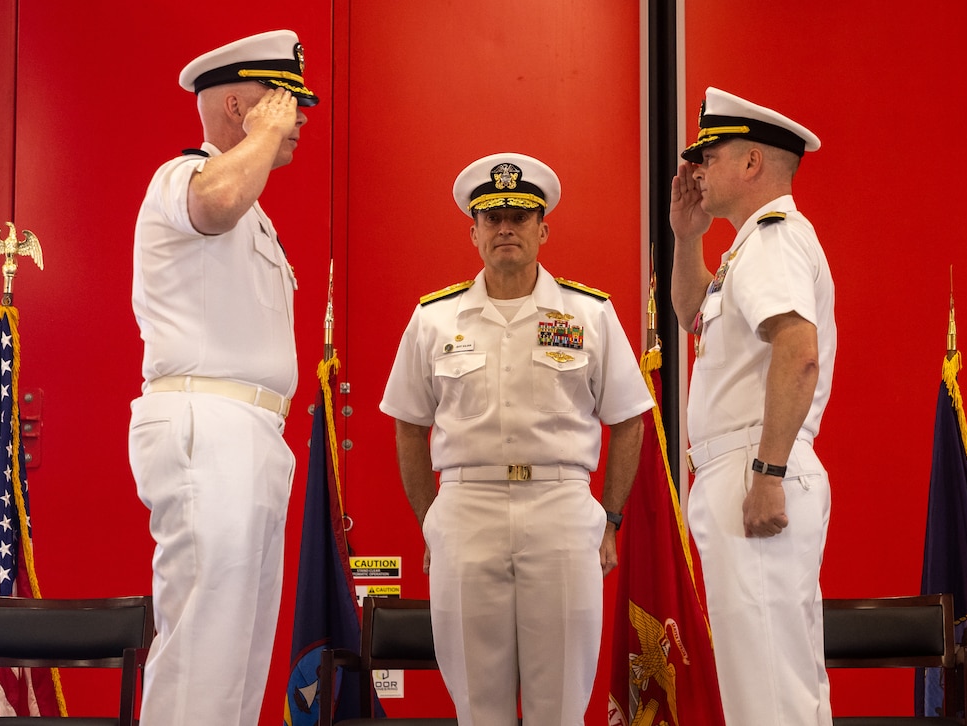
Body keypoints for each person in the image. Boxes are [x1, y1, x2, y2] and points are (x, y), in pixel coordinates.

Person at [380, 152, 654, 726]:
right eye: (492, 216)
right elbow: (409, 423)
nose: (506, 227)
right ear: (473, 232)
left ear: (543, 229)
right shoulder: (434, 319)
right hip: (466, 508)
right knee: (479, 708)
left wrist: (610, 518)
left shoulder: (589, 313)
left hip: (560, 508)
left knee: (559, 707)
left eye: (520, 215)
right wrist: (432, 517)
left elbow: (629, 416)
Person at [128, 29, 317, 726]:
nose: (299, 122)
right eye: (287, 104)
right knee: (205, 646)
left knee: (238, 657)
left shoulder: (253, 206)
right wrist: (262, 138)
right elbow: (214, 204)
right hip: (207, 427)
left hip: (252, 436)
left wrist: (263, 137)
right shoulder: (187, 178)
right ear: (241, 106)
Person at [668, 86, 836, 726]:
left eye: (710, 155)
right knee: (771, 680)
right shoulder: (749, 247)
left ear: (750, 165)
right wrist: (689, 238)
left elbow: (798, 349)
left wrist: (766, 473)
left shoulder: (771, 238)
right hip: (746, 466)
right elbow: (692, 315)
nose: (698, 170)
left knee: (766, 691)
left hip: (754, 465)